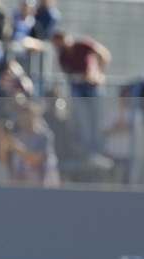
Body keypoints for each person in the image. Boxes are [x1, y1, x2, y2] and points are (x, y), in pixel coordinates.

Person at [51, 29, 112, 168]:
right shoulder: (62, 57)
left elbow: (104, 55)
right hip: (78, 90)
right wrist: (82, 76)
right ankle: (88, 154)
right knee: (83, 124)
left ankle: (99, 153)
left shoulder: (83, 45)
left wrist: (99, 74)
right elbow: (70, 74)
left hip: (94, 89)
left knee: (97, 122)